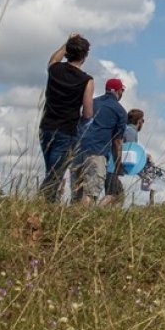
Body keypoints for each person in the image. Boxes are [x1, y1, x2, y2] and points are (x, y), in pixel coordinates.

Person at [39, 34, 94, 203]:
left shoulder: (54, 69)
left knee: (51, 171)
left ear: (68, 52)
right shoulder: (86, 80)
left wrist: (67, 42)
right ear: (84, 56)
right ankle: (42, 204)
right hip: (66, 130)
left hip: (46, 127)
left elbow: (54, 58)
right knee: (55, 175)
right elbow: (88, 113)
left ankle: (48, 204)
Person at [74, 78, 126, 205]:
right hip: (97, 151)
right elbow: (117, 142)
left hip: (77, 150)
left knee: (76, 194)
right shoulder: (120, 111)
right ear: (119, 91)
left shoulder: (92, 102)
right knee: (90, 193)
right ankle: (82, 222)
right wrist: (119, 163)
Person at [108, 107, 145, 203]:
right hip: (112, 168)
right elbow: (129, 153)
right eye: (143, 120)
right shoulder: (131, 132)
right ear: (139, 121)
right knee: (115, 197)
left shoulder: (125, 129)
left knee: (117, 196)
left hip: (109, 167)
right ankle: (98, 209)